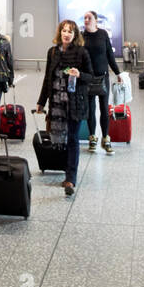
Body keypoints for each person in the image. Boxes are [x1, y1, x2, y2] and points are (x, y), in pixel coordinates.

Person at [34, 21, 93, 197]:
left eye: (70, 31)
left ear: (75, 35)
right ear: (60, 33)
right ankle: (63, 168)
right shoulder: (52, 52)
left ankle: (71, 177)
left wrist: (79, 74)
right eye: (64, 31)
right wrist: (41, 102)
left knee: (73, 139)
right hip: (56, 103)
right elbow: (47, 78)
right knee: (59, 139)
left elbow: (91, 77)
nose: (66, 34)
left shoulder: (82, 53)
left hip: (74, 103)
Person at [81, 9, 122, 153]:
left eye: (89, 18)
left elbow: (110, 54)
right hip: (88, 78)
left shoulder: (103, 34)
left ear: (96, 20)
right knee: (90, 109)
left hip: (103, 76)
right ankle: (92, 137)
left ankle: (105, 138)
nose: (86, 20)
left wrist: (118, 72)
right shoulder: (81, 36)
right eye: (85, 18)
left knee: (104, 109)